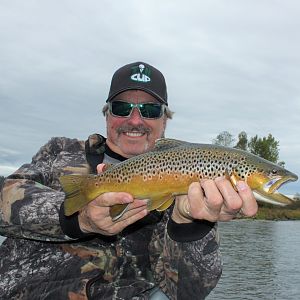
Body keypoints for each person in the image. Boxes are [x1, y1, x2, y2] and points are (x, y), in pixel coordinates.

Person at [0, 62, 258, 300]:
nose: (135, 120)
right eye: (122, 108)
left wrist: (189, 225)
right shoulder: (60, 152)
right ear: (107, 115)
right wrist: (78, 219)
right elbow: (5, 198)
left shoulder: (189, 187)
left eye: (150, 110)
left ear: (165, 120)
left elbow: (188, 292)